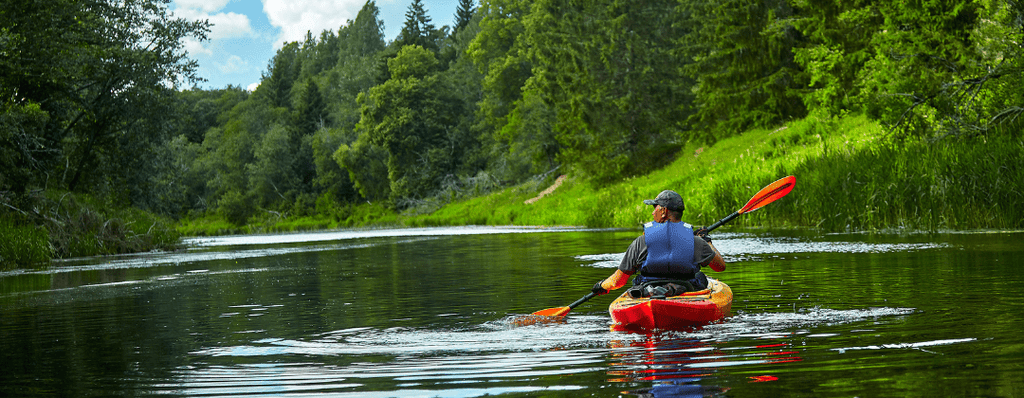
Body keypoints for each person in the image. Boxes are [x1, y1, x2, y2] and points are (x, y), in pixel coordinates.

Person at [592, 189, 727, 299]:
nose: (652, 212)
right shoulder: (695, 241)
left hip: (647, 292)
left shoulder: (641, 242)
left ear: (663, 211)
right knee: (700, 278)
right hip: (685, 291)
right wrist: (706, 241)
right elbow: (720, 266)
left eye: (654, 207)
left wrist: (602, 285)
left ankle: (659, 291)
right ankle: (669, 290)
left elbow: (618, 281)